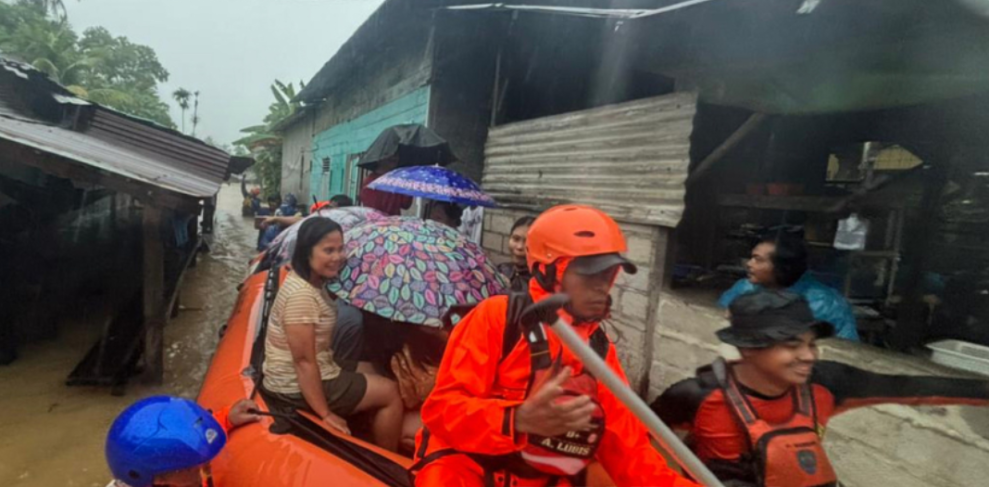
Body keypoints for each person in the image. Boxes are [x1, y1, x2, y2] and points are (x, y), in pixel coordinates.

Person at [413, 205, 698, 487]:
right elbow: (441, 411)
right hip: (465, 468)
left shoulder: (597, 350)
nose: (602, 286)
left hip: (539, 477)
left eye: (608, 274)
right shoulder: (498, 318)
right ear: (547, 270)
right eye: (588, 273)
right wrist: (517, 419)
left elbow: (628, 450)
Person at [652, 290, 989, 487]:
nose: (807, 356)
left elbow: (907, 387)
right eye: (792, 345)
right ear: (748, 348)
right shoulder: (696, 396)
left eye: (811, 344)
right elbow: (643, 440)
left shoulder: (827, 383)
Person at [259, 217, 403, 451]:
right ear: (307, 252)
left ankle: (369, 421)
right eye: (328, 250)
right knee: (391, 391)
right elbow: (303, 362)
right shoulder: (301, 296)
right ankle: (388, 457)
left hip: (322, 363)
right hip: (292, 385)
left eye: (340, 248)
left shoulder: (314, 282)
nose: (338, 257)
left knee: (378, 367)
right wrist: (325, 414)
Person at [719, 236, 860, 341]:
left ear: (781, 267)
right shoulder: (743, 288)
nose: (749, 264)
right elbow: (719, 323)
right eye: (751, 258)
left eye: (758, 259)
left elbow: (848, 349)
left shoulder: (827, 303)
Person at [105, 396, 260, 487]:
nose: (201, 467)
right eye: (189, 467)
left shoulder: (169, 475)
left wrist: (226, 419)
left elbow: (186, 438)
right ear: (159, 479)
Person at [497, 216, 536, 292]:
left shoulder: (540, 283)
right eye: (516, 239)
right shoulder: (500, 270)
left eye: (527, 242)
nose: (520, 247)